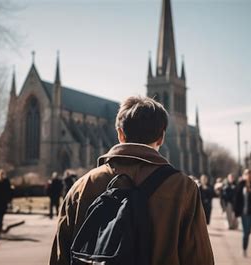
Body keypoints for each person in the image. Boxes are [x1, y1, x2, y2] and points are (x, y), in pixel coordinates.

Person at [49, 96, 214, 265]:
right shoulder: (183, 188)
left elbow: (60, 257)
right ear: (161, 138)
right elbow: (199, 258)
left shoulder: (81, 187)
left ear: (120, 134)